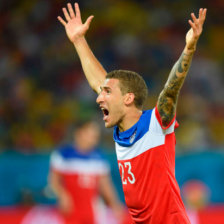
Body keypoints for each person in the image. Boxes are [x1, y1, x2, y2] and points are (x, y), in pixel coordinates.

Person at [57, 3, 207, 223]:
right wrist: (79, 41)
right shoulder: (121, 128)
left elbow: (171, 89)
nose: (99, 97)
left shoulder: (156, 124)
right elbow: (99, 82)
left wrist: (189, 49)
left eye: (108, 92)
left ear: (128, 99)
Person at [49, 120, 127, 224]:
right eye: (91, 134)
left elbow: (105, 185)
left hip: (92, 210)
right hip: (70, 209)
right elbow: (53, 181)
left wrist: (115, 204)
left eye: (96, 135)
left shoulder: (99, 158)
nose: (94, 139)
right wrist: (62, 195)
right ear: (79, 133)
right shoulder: (63, 154)